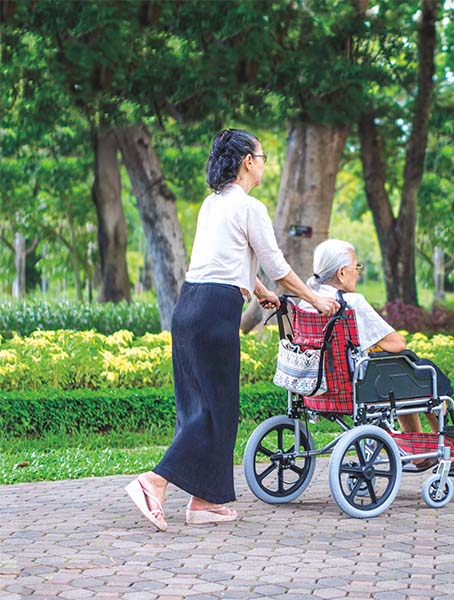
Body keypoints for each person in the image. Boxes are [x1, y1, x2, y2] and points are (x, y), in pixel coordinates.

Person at [125, 128, 339, 532]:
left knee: (198, 407)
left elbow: (229, 257)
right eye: (261, 157)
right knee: (215, 410)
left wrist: (258, 291)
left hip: (189, 306)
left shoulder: (213, 204)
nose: (263, 165)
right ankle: (153, 483)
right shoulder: (250, 207)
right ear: (247, 162)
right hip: (215, 312)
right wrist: (316, 299)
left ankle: (206, 501)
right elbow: (277, 266)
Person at [301, 239, 454, 471]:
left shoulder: (306, 303)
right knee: (423, 371)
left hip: (319, 387)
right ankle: (453, 449)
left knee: (402, 372)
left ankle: (418, 452)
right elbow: (397, 343)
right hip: (359, 385)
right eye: (356, 267)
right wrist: (376, 345)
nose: (358, 273)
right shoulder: (351, 302)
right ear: (341, 272)